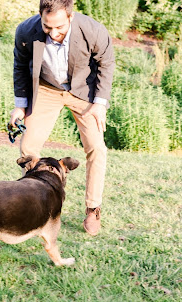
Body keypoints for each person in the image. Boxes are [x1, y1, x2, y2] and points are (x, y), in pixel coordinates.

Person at [9, 0, 115, 236]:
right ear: (40, 18)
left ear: (70, 16)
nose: (53, 34)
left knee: (97, 147)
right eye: (48, 27)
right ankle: (32, 202)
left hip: (83, 91)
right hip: (47, 89)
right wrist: (20, 105)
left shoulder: (93, 30)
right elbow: (20, 66)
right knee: (28, 146)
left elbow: (106, 64)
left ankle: (92, 208)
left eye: (59, 28)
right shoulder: (26, 30)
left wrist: (99, 104)